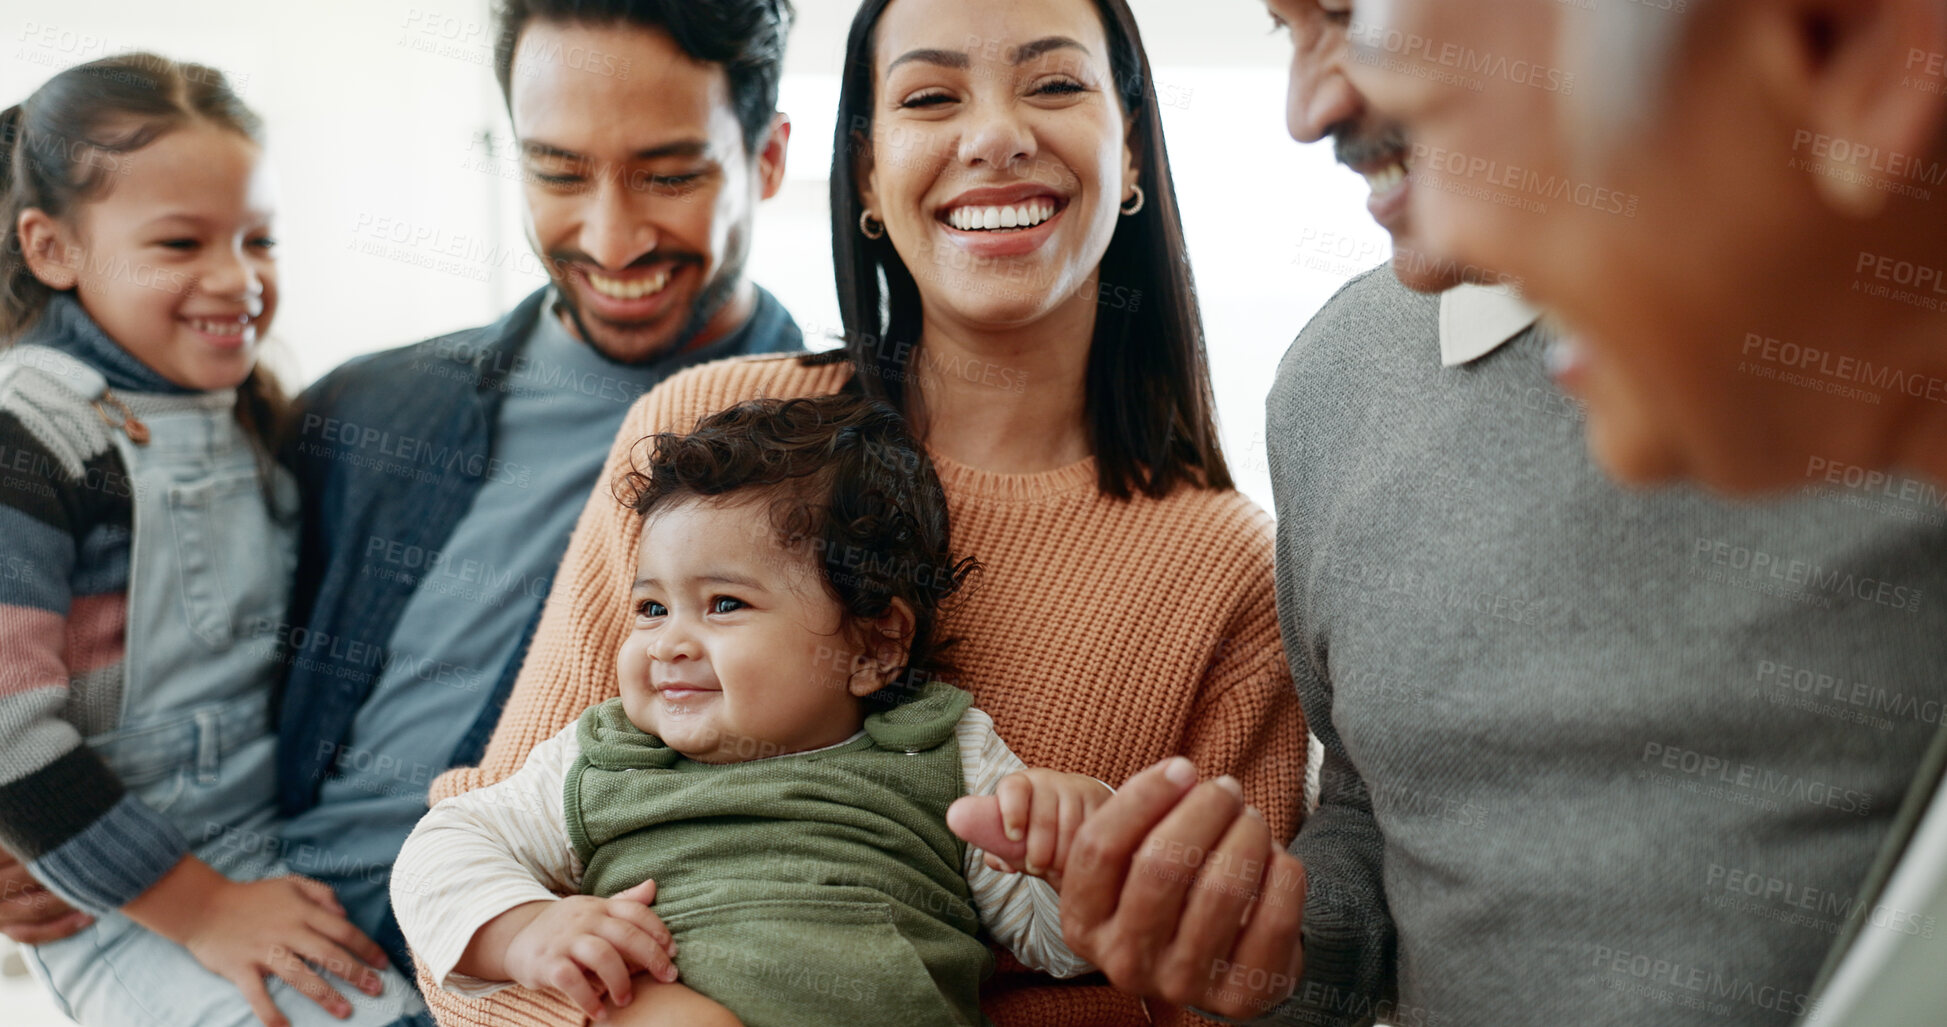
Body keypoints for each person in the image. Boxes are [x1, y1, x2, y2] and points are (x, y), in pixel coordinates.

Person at [1048, 3, 1947, 1025]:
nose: (1310, 109)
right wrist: (1269, 950)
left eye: (1357, 11)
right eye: (1282, 27)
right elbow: (1373, 806)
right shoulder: (1334, 384)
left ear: (1837, 40)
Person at [414, 0, 1307, 1024]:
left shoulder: (1233, 571)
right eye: (931, 96)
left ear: (1135, 147)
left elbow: (1216, 992)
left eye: (1055, 84)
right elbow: (472, 897)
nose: (995, 136)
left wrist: (1097, 873)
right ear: (868, 175)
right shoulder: (703, 439)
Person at [258, 0, 806, 979]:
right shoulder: (363, 411)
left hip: (525, 974)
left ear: (767, 157)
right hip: (272, 933)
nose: (611, 237)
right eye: (556, 171)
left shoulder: (840, 456)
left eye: (670, 173)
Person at [396, 394, 1114, 1027]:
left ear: (874, 646)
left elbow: (1055, 946)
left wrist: (1072, 853)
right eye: (651, 607)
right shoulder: (605, 757)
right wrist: (526, 931)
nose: (669, 641)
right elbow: (442, 847)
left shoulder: (941, 748)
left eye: (724, 604)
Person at [0, 55, 419, 1027]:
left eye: (259, 239)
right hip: (123, 898)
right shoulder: (34, 434)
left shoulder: (240, 414)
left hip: (263, 853)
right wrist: (200, 907)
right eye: (181, 242)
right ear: (53, 248)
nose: (237, 279)